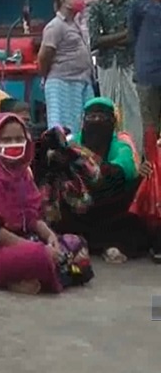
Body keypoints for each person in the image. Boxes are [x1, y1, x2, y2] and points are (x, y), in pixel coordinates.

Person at [0, 113, 92, 293]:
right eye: (6, 140)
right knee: (41, 256)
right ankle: (23, 276)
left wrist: (50, 237)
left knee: (75, 243)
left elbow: (32, 216)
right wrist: (35, 247)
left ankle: (27, 277)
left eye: (19, 139)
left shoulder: (22, 172)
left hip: (21, 241)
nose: (14, 144)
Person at [59, 98, 149, 262]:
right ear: (84, 120)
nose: (97, 122)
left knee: (139, 182)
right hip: (78, 207)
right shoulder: (72, 141)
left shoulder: (121, 143)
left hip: (112, 208)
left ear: (113, 121)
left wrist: (88, 158)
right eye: (92, 117)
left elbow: (124, 170)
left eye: (103, 118)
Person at [88, 0, 140, 148]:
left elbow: (136, 34)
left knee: (134, 111)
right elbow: (95, 41)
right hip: (107, 65)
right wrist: (124, 34)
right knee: (108, 110)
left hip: (130, 63)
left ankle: (135, 153)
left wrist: (110, 38)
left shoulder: (135, 2)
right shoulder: (98, 6)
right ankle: (109, 152)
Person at [39, 0, 94, 134]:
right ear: (63, 1)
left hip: (82, 81)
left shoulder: (77, 24)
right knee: (62, 128)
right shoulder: (55, 26)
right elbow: (44, 56)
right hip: (62, 83)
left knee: (83, 125)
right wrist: (46, 76)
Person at [128, 0, 161, 141]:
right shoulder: (139, 3)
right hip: (148, 74)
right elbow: (133, 33)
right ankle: (152, 161)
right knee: (150, 129)